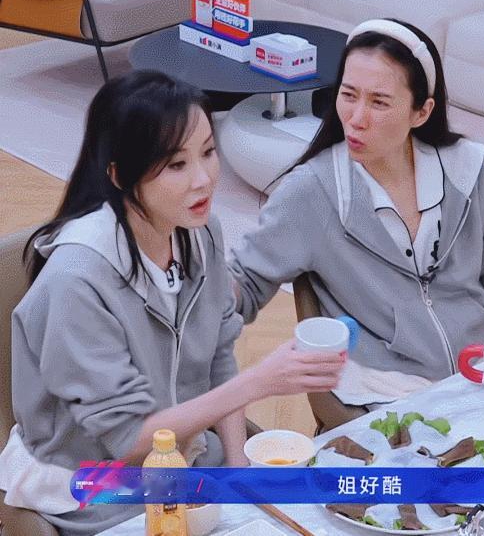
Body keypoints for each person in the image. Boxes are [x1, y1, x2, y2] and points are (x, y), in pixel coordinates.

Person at [0, 71, 344, 536]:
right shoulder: (76, 281)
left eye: (208, 152)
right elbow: (126, 439)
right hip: (95, 485)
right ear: (120, 175)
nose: (203, 180)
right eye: (176, 164)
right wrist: (258, 383)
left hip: (183, 456)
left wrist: (238, 471)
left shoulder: (199, 233)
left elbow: (219, 355)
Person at [229, 19, 484, 403]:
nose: (357, 118)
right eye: (348, 95)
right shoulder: (312, 191)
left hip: (481, 375)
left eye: (379, 102)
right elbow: (245, 282)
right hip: (384, 393)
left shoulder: (467, 169)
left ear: (421, 112)